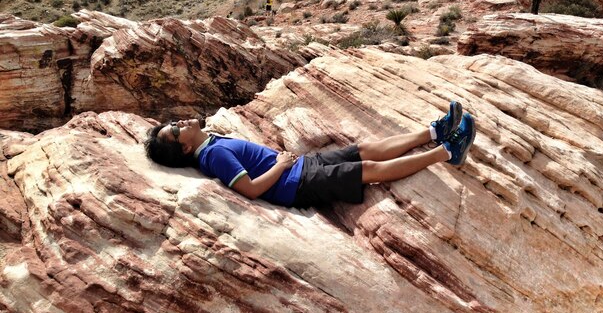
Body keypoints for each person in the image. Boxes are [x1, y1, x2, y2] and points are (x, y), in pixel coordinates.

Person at [144, 102, 476, 209]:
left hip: (300, 168)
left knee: (363, 149)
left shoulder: (209, 140)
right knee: (369, 168)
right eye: (174, 130)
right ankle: (448, 152)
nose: (178, 123)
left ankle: (435, 131)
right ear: (184, 147)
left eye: (172, 123)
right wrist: (282, 164)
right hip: (296, 183)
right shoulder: (212, 155)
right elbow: (250, 190)